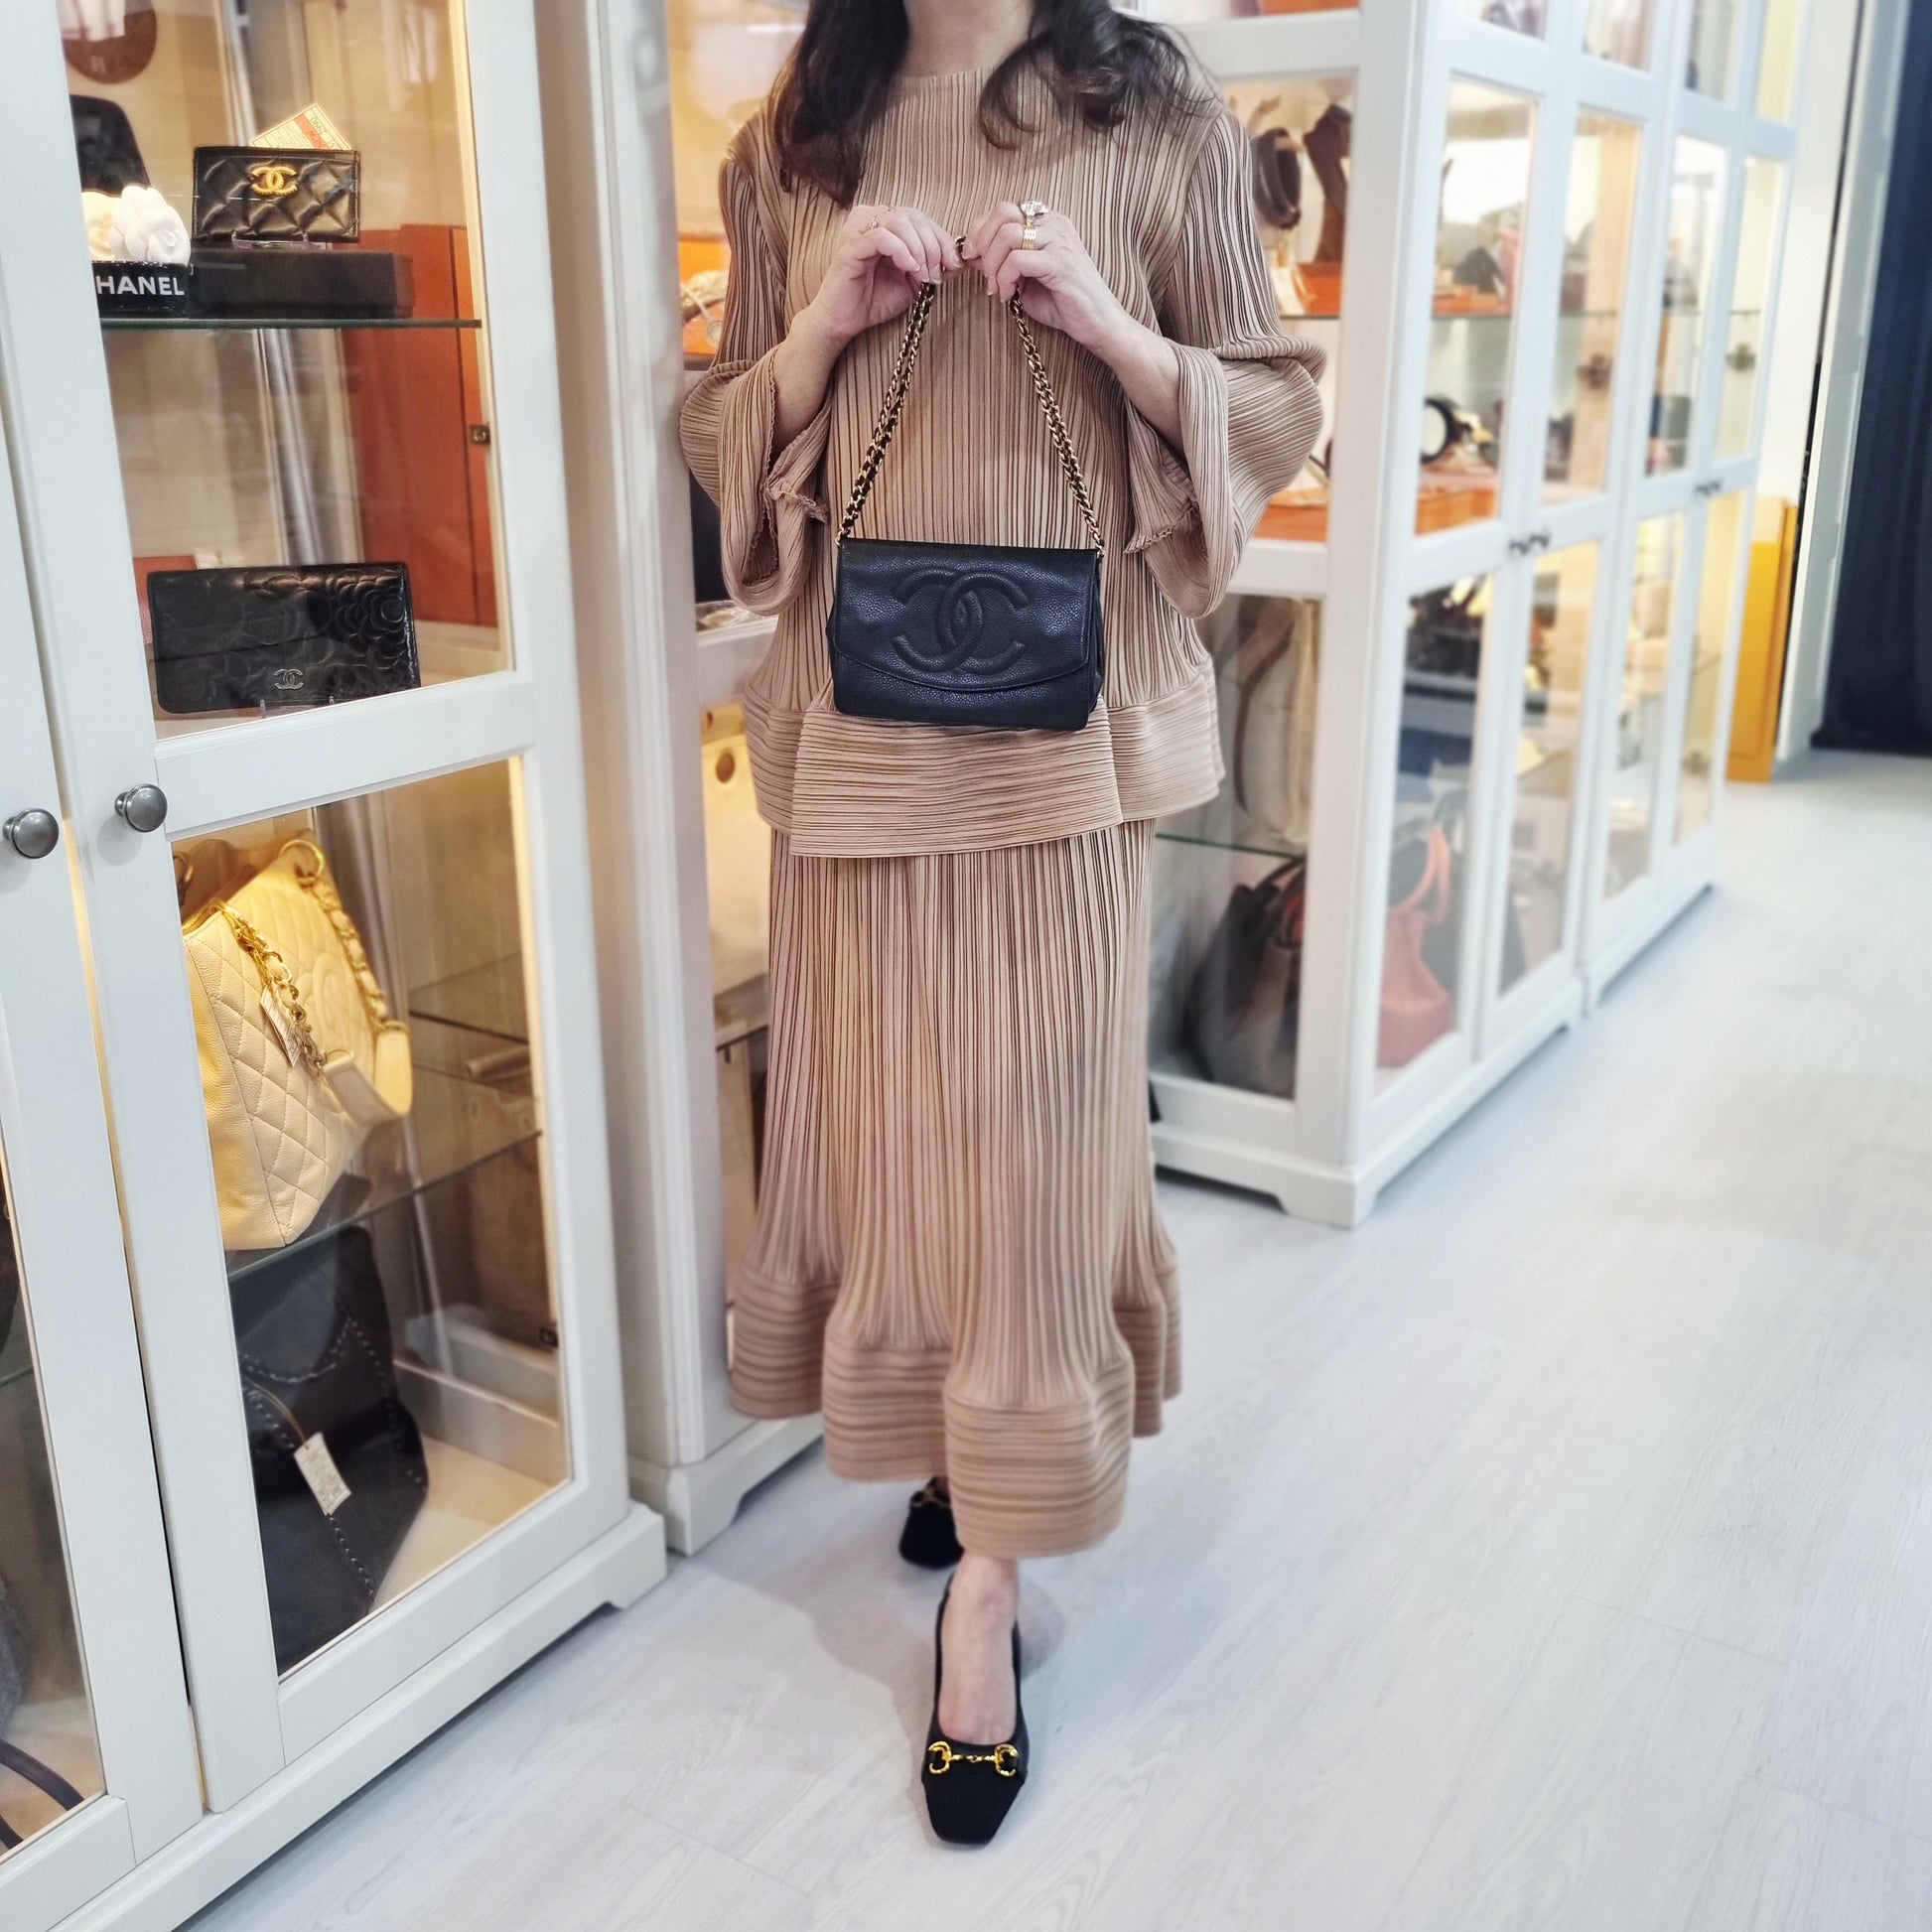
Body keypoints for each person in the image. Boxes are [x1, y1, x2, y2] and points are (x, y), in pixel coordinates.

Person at [679, 0, 1324, 1845]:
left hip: (1061, 735)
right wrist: (824, 326)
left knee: (1032, 1142)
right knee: (888, 1130)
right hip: (855, 720)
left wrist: (1107, 326)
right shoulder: (796, 131)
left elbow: (1273, 396)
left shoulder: (1154, 109)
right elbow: (720, 428)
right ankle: (955, 1448)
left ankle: (990, 1580)